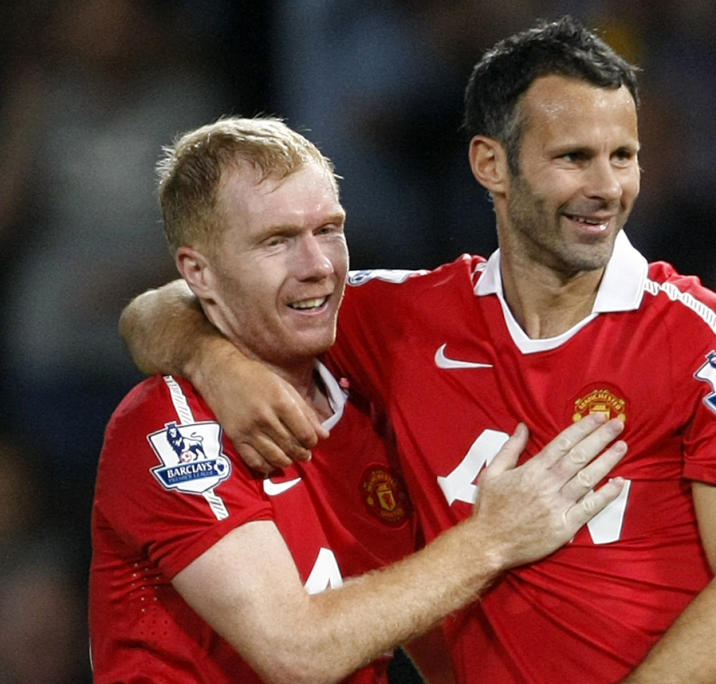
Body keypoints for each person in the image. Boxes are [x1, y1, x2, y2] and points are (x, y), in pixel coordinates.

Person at [121, 17, 716, 683]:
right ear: (490, 164)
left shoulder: (703, 338)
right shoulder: (403, 319)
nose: (606, 187)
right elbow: (161, 308)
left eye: (623, 156)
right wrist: (217, 362)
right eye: (573, 158)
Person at [90, 115, 630, 684]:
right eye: (276, 241)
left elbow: (426, 624)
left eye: (328, 229)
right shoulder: (170, 426)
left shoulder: (370, 394)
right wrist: (495, 538)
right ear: (199, 272)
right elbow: (297, 653)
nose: (318, 266)